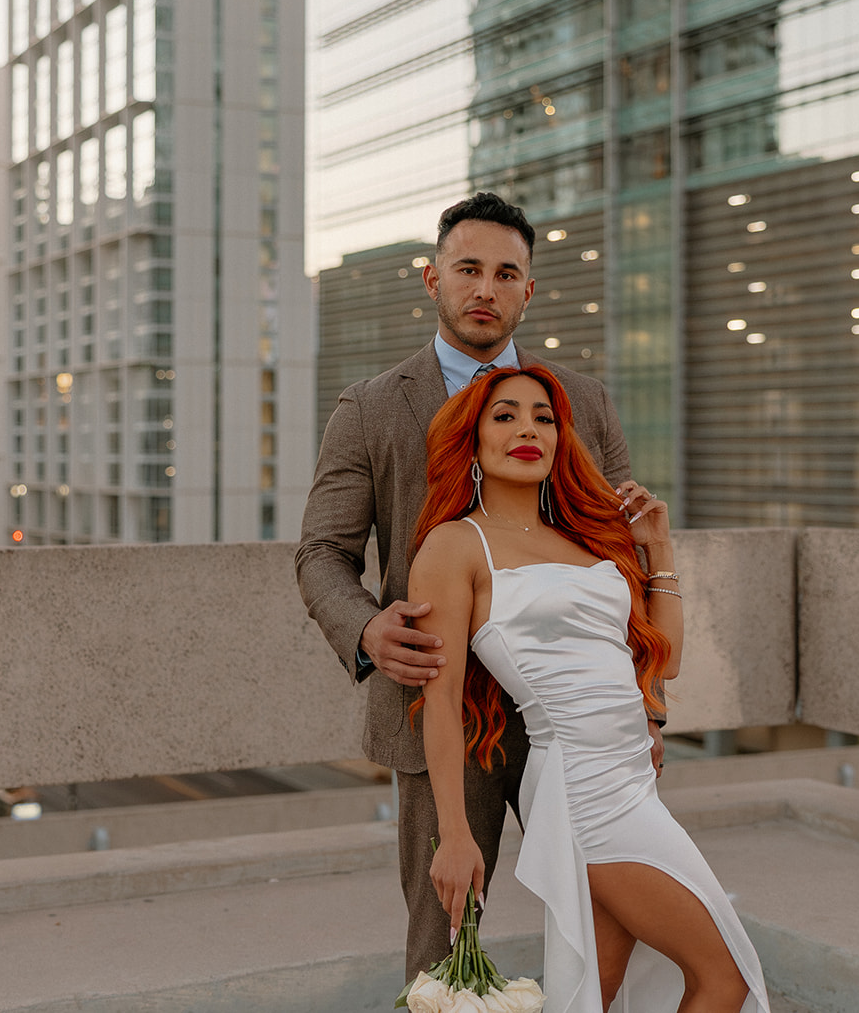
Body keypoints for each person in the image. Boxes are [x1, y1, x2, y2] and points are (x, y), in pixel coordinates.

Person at [296, 192, 658, 978]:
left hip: (572, 715)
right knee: (444, 939)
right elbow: (321, 553)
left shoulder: (583, 404)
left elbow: (621, 559)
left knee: (610, 918)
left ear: (530, 290)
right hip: (441, 710)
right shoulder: (369, 408)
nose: (485, 288)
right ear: (433, 279)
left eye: (506, 273)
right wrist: (365, 628)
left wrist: (644, 704)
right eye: (468, 269)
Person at [408, 365, 769, 1012]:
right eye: (506, 415)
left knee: (591, 994)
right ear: (473, 440)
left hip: (632, 777)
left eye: (544, 417)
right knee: (724, 975)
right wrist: (455, 834)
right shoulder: (454, 545)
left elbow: (666, 660)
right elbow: (440, 699)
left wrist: (658, 548)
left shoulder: (582, 537)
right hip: (582, 791)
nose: (528, 429)